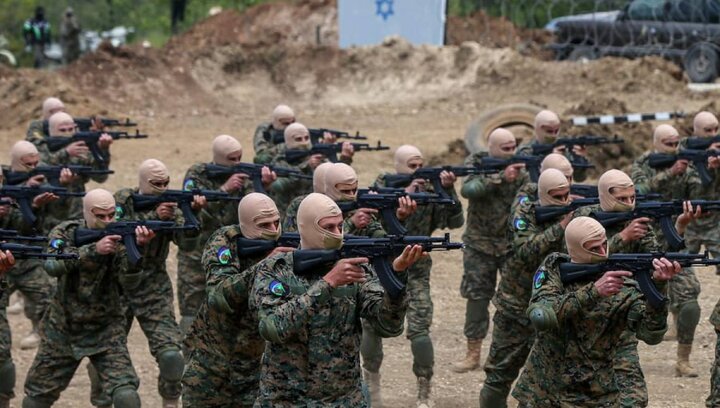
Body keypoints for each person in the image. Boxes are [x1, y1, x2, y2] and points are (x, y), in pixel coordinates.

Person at [250, 193, 425, 406]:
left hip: (344, 398)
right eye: (328, 227)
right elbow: (272, 328)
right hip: (286, 399)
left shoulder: (355, 268)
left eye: (340, 226)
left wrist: (396, 276)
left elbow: (388, 326)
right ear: (306, 228)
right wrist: (328, 283)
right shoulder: (275, 269)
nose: (338, 233)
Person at [511, 216, 679, 406]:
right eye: (593, 249)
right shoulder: (555, 269)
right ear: (575, 249)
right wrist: (594, 292)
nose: (603, 252)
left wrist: (659, 284)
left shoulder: (625, 287)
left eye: (604, 244)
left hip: (596, 393)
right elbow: (541, 316)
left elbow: (651, 334)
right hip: (545, 391)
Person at [22, 189, 150, 408]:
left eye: (112, 215)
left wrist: (137, 248)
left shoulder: (120, 237)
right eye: (100, 216)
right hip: (63, 329)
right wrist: (93, 250)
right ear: (88, 215)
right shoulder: (66, 232)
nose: (108, 221)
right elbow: (51, 265)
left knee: (126, 395)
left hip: (106, 330)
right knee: (36, 399)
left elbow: (130, 282)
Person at [91, 159, 202, 408]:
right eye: (156, 183)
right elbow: (111, 232)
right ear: (143, 183)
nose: (163, 188)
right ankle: (102, 402)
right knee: (104, 354)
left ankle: (170, 398)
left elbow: (187, 244)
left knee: (172, 354)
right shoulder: (123, 201)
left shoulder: (170, 205)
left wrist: (193, 213)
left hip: (153, 285)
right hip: (115, 286)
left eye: (166, 182)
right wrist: (154, 215)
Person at [364, 146, 463, 407]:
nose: (417, 171)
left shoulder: (429, 191)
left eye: (420, 165)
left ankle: (424, 389)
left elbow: (454, 222)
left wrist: (448, 189)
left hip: (416, 272)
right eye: (411, 166)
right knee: (372, 325)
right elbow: (369, 228)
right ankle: (371, 385)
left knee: (419, 328)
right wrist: (397, 209)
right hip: (382, 268)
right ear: (397, 168)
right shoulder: (380, 188)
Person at [182, 193, 293, 407]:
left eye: (276, 222)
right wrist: (263, 267)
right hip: (211, 366)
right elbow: (218, 296)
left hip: (254, 369)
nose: (273, 229)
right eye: (264, 224)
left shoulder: (286, 246)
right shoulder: (226, 241)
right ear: (246, 225)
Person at [480, 168, 573, 407]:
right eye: (557, 197)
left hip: (551, 307)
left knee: (544, 382)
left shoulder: (572, 214)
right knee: (499, 374)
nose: (564, 201)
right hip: (515, 307)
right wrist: (562, 225)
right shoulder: (524, 213)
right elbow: (527, 251)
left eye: (566, 195)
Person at [176, 135, 275, 337]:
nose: (237, 163)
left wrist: (264, 187)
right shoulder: (199, 174)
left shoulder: (244, 177)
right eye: (231, 159)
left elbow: (255, 212)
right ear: (218, 158)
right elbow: (192, 216)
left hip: (233, 254)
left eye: (239, 157)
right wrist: (224, 190)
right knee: (192, 309)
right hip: (197, 254)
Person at [631, 124, 709, 377]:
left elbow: (700, 191)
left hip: (675, 241)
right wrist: (669, 173)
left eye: (676, 143)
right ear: (656, 144)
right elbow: (637, 192)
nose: (674, 148)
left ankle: (682, 360)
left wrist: (707, 168)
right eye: (668, 144)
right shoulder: (644, 163)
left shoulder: (686, 163)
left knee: (690, 304)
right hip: (639, 245)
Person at [453, 128, 527, 374]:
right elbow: (469, 190)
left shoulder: (522, 168)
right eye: (505, 148)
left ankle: (507, 353)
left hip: (510, 245)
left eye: (513, 147)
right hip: (479, 243)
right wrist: (499, 178)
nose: (510, 152)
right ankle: (473, 353)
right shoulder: (477, 162)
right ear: (491, 148)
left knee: (514, 301)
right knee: (477, 298)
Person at [269, 123, 352, 215]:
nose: (304, 142)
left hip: (318, 210)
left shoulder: (317, 158)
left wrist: (345, 159)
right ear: (288, 140)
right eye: (298, 139)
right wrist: (306, 166)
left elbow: (336, 180)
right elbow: (282, 185)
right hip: (291, 214)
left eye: (306, 138)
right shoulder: (280, 161)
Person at [517, 110, 588, 182]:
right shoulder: (526, 151)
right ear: (537, 129)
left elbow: (579, 178)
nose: (554, 135)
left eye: (556, 131)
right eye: (549, 131)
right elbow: (528, 181)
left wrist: (580, 158)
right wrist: (551, 160)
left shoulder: (562, 146)